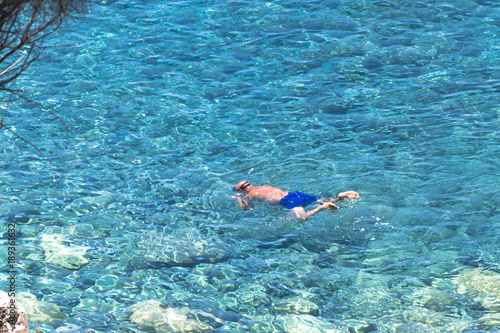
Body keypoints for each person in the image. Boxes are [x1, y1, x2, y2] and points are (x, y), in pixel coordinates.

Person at [233, 180, 359, 221]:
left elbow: (247, 208)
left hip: (288, 201)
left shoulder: (249, 194)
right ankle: (340, 197)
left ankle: (323, 207)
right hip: (296, 195)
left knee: (301, 219)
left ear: (242, 191)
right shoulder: (264, 186)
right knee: (323, 200)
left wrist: (238, 199)